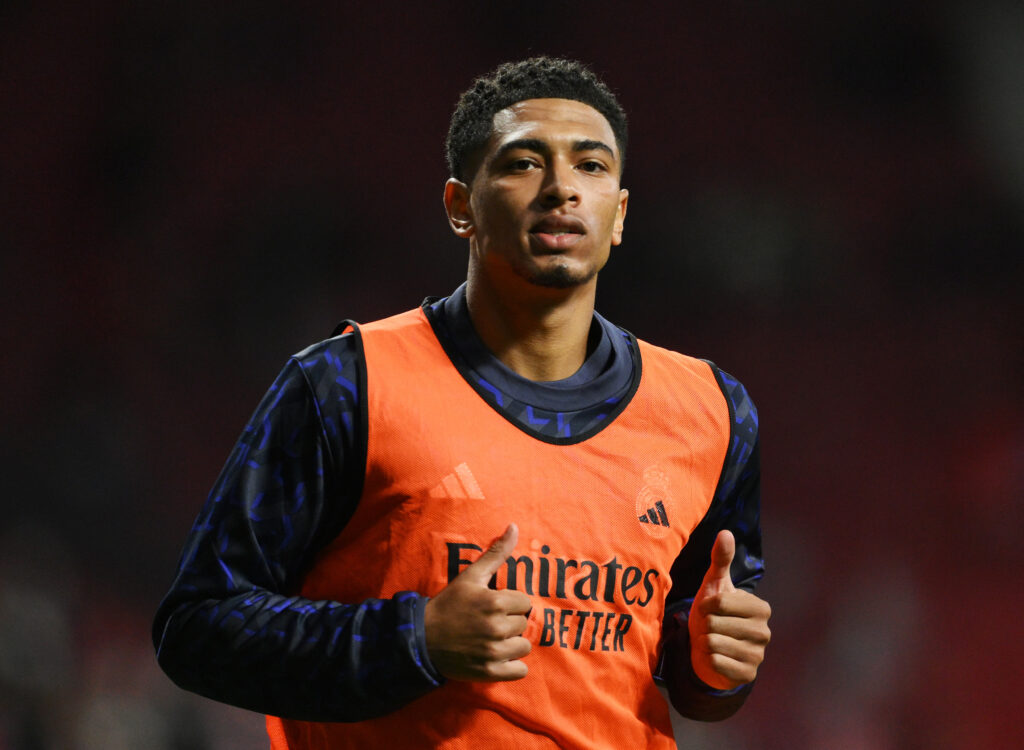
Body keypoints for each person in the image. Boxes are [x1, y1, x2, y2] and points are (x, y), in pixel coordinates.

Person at [153, 56, 771, 750]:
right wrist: (413, 639)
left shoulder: (711, 412)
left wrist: (716, 667)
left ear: (619, 214)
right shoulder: (347, 385)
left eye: (591, 166)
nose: (562, 189)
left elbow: (695, 674)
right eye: (524, 163)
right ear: (459, 207)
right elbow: (197, 629)